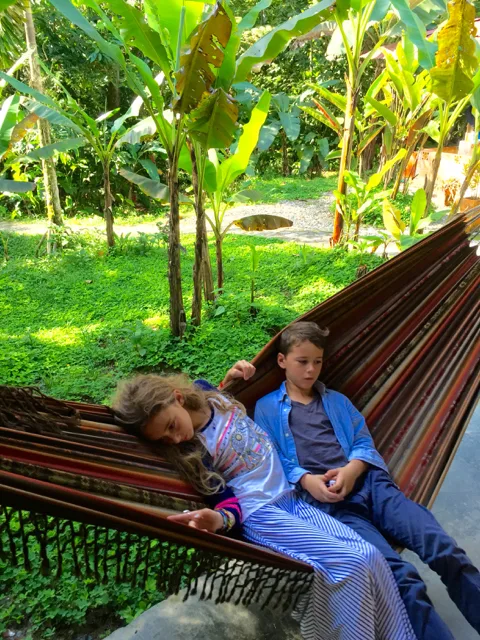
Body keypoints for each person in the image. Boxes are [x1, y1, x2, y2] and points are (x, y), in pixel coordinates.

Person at [113, 373, 416, 640]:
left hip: (290, 499)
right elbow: (227, 502)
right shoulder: (195, 451)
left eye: (171, 425)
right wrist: (217, 520)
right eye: (164, 439)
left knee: (370, 555)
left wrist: (235, 374)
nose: (174, 438)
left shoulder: (208, 393)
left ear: (178, 398)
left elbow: (218, 397)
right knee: (350, 564)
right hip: (261, 515)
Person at [227, 321, 480, 640]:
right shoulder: (266, 408)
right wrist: (307, 481)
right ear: (282, 361)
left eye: (317, 362)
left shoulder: (337, 401)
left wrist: (352, 469)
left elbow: (362, 441)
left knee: (442, 547)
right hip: (333, 506)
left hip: (373, 486)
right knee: (398, 576)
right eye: (302, 361)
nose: (311, 370)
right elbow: (270, 456)